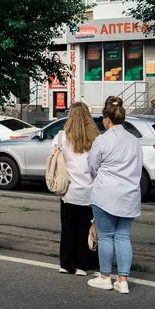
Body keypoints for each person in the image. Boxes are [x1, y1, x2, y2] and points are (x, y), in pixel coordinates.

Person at [87, 96, 142, 294]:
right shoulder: (135, 141)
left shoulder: (102, 140)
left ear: (107, 119)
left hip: (106, 194)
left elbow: (92, 166)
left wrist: (98, 178)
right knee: (123, 236)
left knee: (106, 236)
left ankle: (104, 277)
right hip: (130, 194)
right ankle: (123, 280)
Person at [55, 102, 99, 276]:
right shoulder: (96, 138)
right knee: (86, 228)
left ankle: (66, 263)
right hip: (90, 191)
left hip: (69, 191)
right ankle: (83, 264)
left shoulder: (61, 137)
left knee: (68, 229)